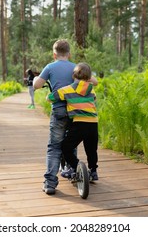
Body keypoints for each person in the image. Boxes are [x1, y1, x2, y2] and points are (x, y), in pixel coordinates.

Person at [33, 40, 97, 195]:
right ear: (69, 54)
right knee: (71, 143)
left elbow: (37, 85)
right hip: (75, 113)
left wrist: (36, 80)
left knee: (54, 146)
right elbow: (94, 82)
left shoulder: (50, 67)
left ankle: (50, 183)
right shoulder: (76, 68)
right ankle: (74, 172)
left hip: (59, 110)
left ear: (54, 54)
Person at [47, 62, 99, 181]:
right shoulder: (91, 90)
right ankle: (94, 171)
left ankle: (76, 167)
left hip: (79, 123)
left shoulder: (67, 89)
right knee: (91, 149)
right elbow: (94, 99)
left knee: (66, 147)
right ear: (88, 77)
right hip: (93, 123)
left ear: (73, 75)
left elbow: (51, 98)